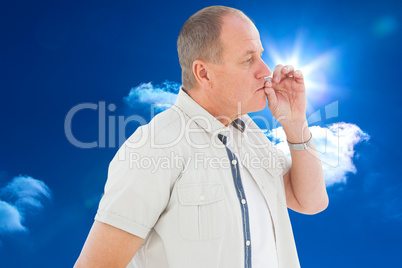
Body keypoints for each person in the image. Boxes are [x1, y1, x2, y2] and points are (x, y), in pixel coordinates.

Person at [75, 5, 328, 268]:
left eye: (261, 55)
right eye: (248, 59)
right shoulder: (154, 146)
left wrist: (295, 123)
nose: (265, 69)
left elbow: (310, 202)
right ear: (204, 74)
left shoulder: (251, 135)